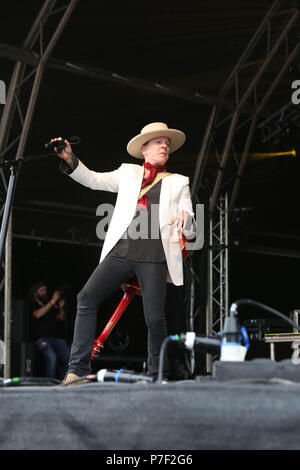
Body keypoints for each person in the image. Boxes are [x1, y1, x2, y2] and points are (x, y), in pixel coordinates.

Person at [51, 122, 196, 383]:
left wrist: (185, 217)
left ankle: (156, 375)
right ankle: (77, 370)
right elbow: (94, 180)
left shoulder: (178, 182)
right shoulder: (128, 173)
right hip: (121, 250)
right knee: (86, 297)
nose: (165, 146)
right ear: (144, 149)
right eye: (158, 142)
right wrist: (71, 159)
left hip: (153, 255)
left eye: (167, 143)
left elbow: (191, 220)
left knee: (154, 318)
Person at [28, 281, 70, 380]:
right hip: (40, 340)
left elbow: (61, 318)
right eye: (41, 290)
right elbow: (37, 314)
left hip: (54, 339)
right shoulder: (31, 304)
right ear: (35, 293)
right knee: (52, 357)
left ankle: (63, 382)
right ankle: (50, 384)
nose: (44, 292)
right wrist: (52, 301)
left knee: (69, 358)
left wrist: (60, 307)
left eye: (45, 290)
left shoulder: (50, 305)